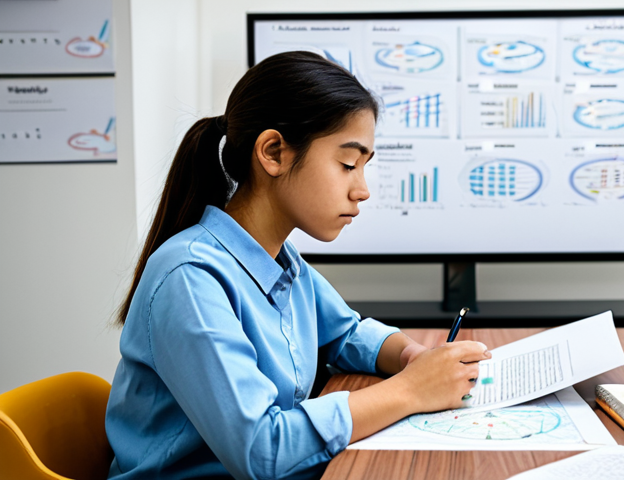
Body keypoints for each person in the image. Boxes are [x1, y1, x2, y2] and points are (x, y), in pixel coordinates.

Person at [105, 51, 491, 480]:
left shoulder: (282, 261)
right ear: (273, 152)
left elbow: (346, 334)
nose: (361, 190)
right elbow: (262, 450)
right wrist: (410, 390)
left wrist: (411, 356)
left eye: (364, 167)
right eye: (347, 164)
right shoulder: (190, 279)